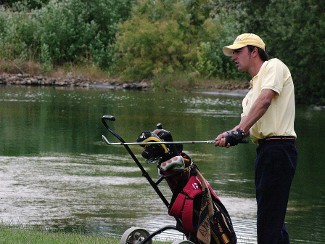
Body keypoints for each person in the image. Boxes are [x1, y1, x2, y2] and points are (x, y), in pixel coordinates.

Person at [214, 33, 297, 244]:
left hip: (279, 149)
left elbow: (265, 101)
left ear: (254, 52)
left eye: (238, 51)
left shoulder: (274, 67)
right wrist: (230, 133)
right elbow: (248, 124)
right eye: (232, 52)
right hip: (265, 151)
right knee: (272, 217)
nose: (233, 56)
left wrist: (239, 132)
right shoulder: (250, 92)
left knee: (269, 219)